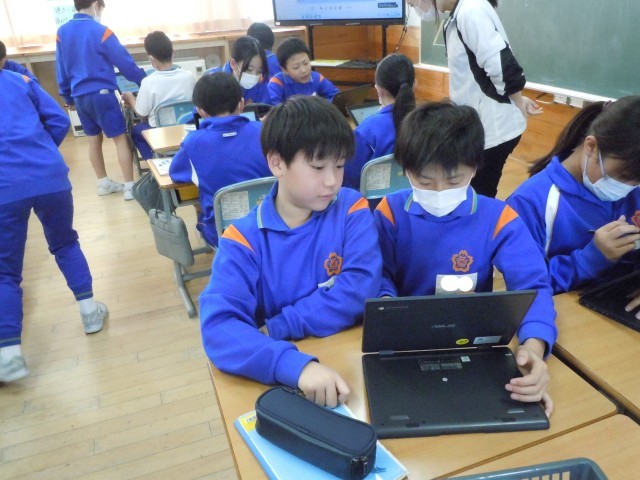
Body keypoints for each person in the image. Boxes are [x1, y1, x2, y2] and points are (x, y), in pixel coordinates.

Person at [374, 101, 556, 415]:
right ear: (405, 169)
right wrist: (388, 308)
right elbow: (379, 274)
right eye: (424, 181)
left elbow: (533, 286)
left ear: (474, 168)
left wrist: (533, 347)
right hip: (404, 343)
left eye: (454, 181)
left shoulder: (498, 218)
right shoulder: (390, 212)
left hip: (471, 343)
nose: (439, 192)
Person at [199, 95, 382, 407]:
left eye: (339, 166)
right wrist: (295, 366)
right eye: (318, 167)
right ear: (276, 163)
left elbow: (361, 286)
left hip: (346, 366)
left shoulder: (351, 208)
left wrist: (280, 325)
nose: (332, 181)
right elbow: (219, 327)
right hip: (284, 381)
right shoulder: (243, 240)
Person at [0, 69, 108, 383]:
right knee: (65, 243)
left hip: (5, 188)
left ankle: (9, 356)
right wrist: (41, 152)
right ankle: (90, 312)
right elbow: (59, 121)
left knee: (5, 272)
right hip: (50, 177)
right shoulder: (21, 81)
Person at [507, 97, 640, 298]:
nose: (629, 187)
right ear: (591, 147)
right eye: (622, 176)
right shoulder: (530, 202)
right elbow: (523, 288)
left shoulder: (634, 189)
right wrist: (591, 258)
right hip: (562, 309)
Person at [409, 0, 542, 198]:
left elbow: (504, 69)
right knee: (473, 192)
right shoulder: (459, 15)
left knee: (478, 195)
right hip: (480, 126)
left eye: (412, 3)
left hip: (493, 131)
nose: (414, 7)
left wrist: (518, 103)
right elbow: (481, 72)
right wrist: (517, 100)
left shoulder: (470, 11)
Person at [56, 0, 146, 201]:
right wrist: (144, 80)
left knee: (93, 138)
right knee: (120, 138)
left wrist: (67, 96)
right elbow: (125, 63)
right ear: (96, 4)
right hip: (102, 94)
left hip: (79, 96)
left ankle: (103, 183)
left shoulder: (62, 32)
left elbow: (61, 68)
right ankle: (130, 186)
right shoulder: (102, 32)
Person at [169, 72, 271, 247]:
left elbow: (176, 174)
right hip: (269, 224)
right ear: (241, 104)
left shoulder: (193, 142)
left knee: (201, 206)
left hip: (223, 233)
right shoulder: (265, 131)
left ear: (201, 111)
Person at [343, 53, 416, 191]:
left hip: (374, 202)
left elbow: (349, 180)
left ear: (378, 90)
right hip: (412, 198)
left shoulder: (366, 131)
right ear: (414, 86)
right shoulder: (426, 123)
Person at [121, 31, 196, 159]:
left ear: (151, 59)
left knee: (136, 132)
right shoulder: (189, 77)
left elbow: (142, 113)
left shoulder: (148, 82)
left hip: (160, 134)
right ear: (173, 52)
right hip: (187, 129)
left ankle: (155, 162)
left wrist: (131, 99)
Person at [268, 38, 339, 105]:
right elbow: (273, 109)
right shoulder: (277, 83)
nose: (303, 70)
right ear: (284, 69)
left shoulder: (317, 78)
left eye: (306, 63)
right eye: (296, 67)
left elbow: (336, 97)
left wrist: (319, 106)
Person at [205, 36, 270, 105]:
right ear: (233, 63)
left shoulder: (260, 83)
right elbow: (202, 110)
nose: (254, 76)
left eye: (259, 71)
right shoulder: (212, 82)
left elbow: (267, 108)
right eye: (249, 69)